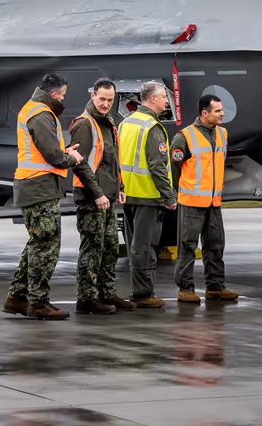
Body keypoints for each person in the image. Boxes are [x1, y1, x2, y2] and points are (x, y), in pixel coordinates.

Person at [4, 73, 93, 320]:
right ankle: (37, 302)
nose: (63, 98)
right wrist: (71, 158)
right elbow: (53, 157)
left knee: (36, 244)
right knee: (46, 247)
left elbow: (45, 150)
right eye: (62, 94)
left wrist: (63, 151)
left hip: (34, 185)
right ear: (53, 94)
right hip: (39, 186)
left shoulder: (34, 109)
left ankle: (18, 298)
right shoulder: (42, 114)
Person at [69, 78, 133, 315]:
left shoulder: (108, 122)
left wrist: (120, 187)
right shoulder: (84, 124)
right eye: (102, 99)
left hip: (108, 197)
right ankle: (86, 298)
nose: (106, 104)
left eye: (110, 100)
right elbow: (79, 163)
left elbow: (112, 161)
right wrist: (97, 194)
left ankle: (107, 293)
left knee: (109, 249)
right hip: (91, 198)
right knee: (92, 250)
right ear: (93, 96)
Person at [170, 94, 239, 304]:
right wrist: (181, 192)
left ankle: (215, 287)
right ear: (204, 113)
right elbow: (174, 169)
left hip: (213, 202)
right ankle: (185, 289)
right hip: (191, 202)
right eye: (218, 111)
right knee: (187, 246)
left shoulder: (222, 134)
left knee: (215, 245)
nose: (222, 114)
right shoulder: (184, 137)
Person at [118, 81, 176, 309]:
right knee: (145, 247)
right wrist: (169, 196)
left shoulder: (125, 123)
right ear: (153, 99)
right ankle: (143, 294)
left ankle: (139, 291)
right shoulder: (152, 127)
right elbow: (158, 166)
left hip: (129, 195)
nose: (166, 101)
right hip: (148, 196)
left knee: (135, 246)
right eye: (164, 97)